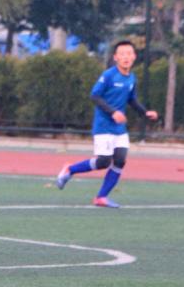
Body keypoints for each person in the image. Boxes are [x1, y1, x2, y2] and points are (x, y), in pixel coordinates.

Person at [56, 40, 158, 208]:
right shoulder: (109, 75)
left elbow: (132, 99)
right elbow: (95, 96)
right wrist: (113, 112)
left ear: (134, 57)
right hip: (103, 126)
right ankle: (70, 169)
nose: (126, 57)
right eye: (122, 54)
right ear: (115, 57)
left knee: (120, 160)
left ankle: (101, 197)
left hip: (119, 128)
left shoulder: (132, 78)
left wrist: (144, 113)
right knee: (103, 161)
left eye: (129, 53)